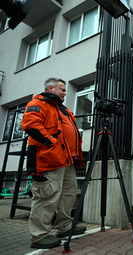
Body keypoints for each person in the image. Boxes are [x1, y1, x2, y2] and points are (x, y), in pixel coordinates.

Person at [21, 78, 86, 249]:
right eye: (63, 89)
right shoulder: (39, 103)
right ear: (51, 88)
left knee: (69, 194)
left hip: (67, 161)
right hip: (49, 161)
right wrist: (51, 142)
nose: (65, 92)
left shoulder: (63, 109)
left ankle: (64, 226)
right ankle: (39, 236)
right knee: (47, 198)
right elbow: (29, 123)